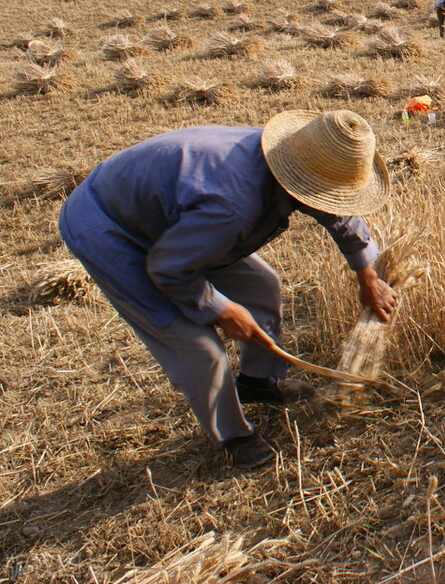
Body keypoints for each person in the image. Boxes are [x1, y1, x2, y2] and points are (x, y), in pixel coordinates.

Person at [57, 110, 399, 468]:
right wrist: (219, 308)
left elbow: (337, 209)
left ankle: (258, 381)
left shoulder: (299, 154)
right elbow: (169, 268)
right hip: (109, 226)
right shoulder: (233, 206)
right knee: (196, 346)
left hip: (172, 217)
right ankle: (234, 436)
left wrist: (368, 276)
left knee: (261, 286)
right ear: (298, 183)